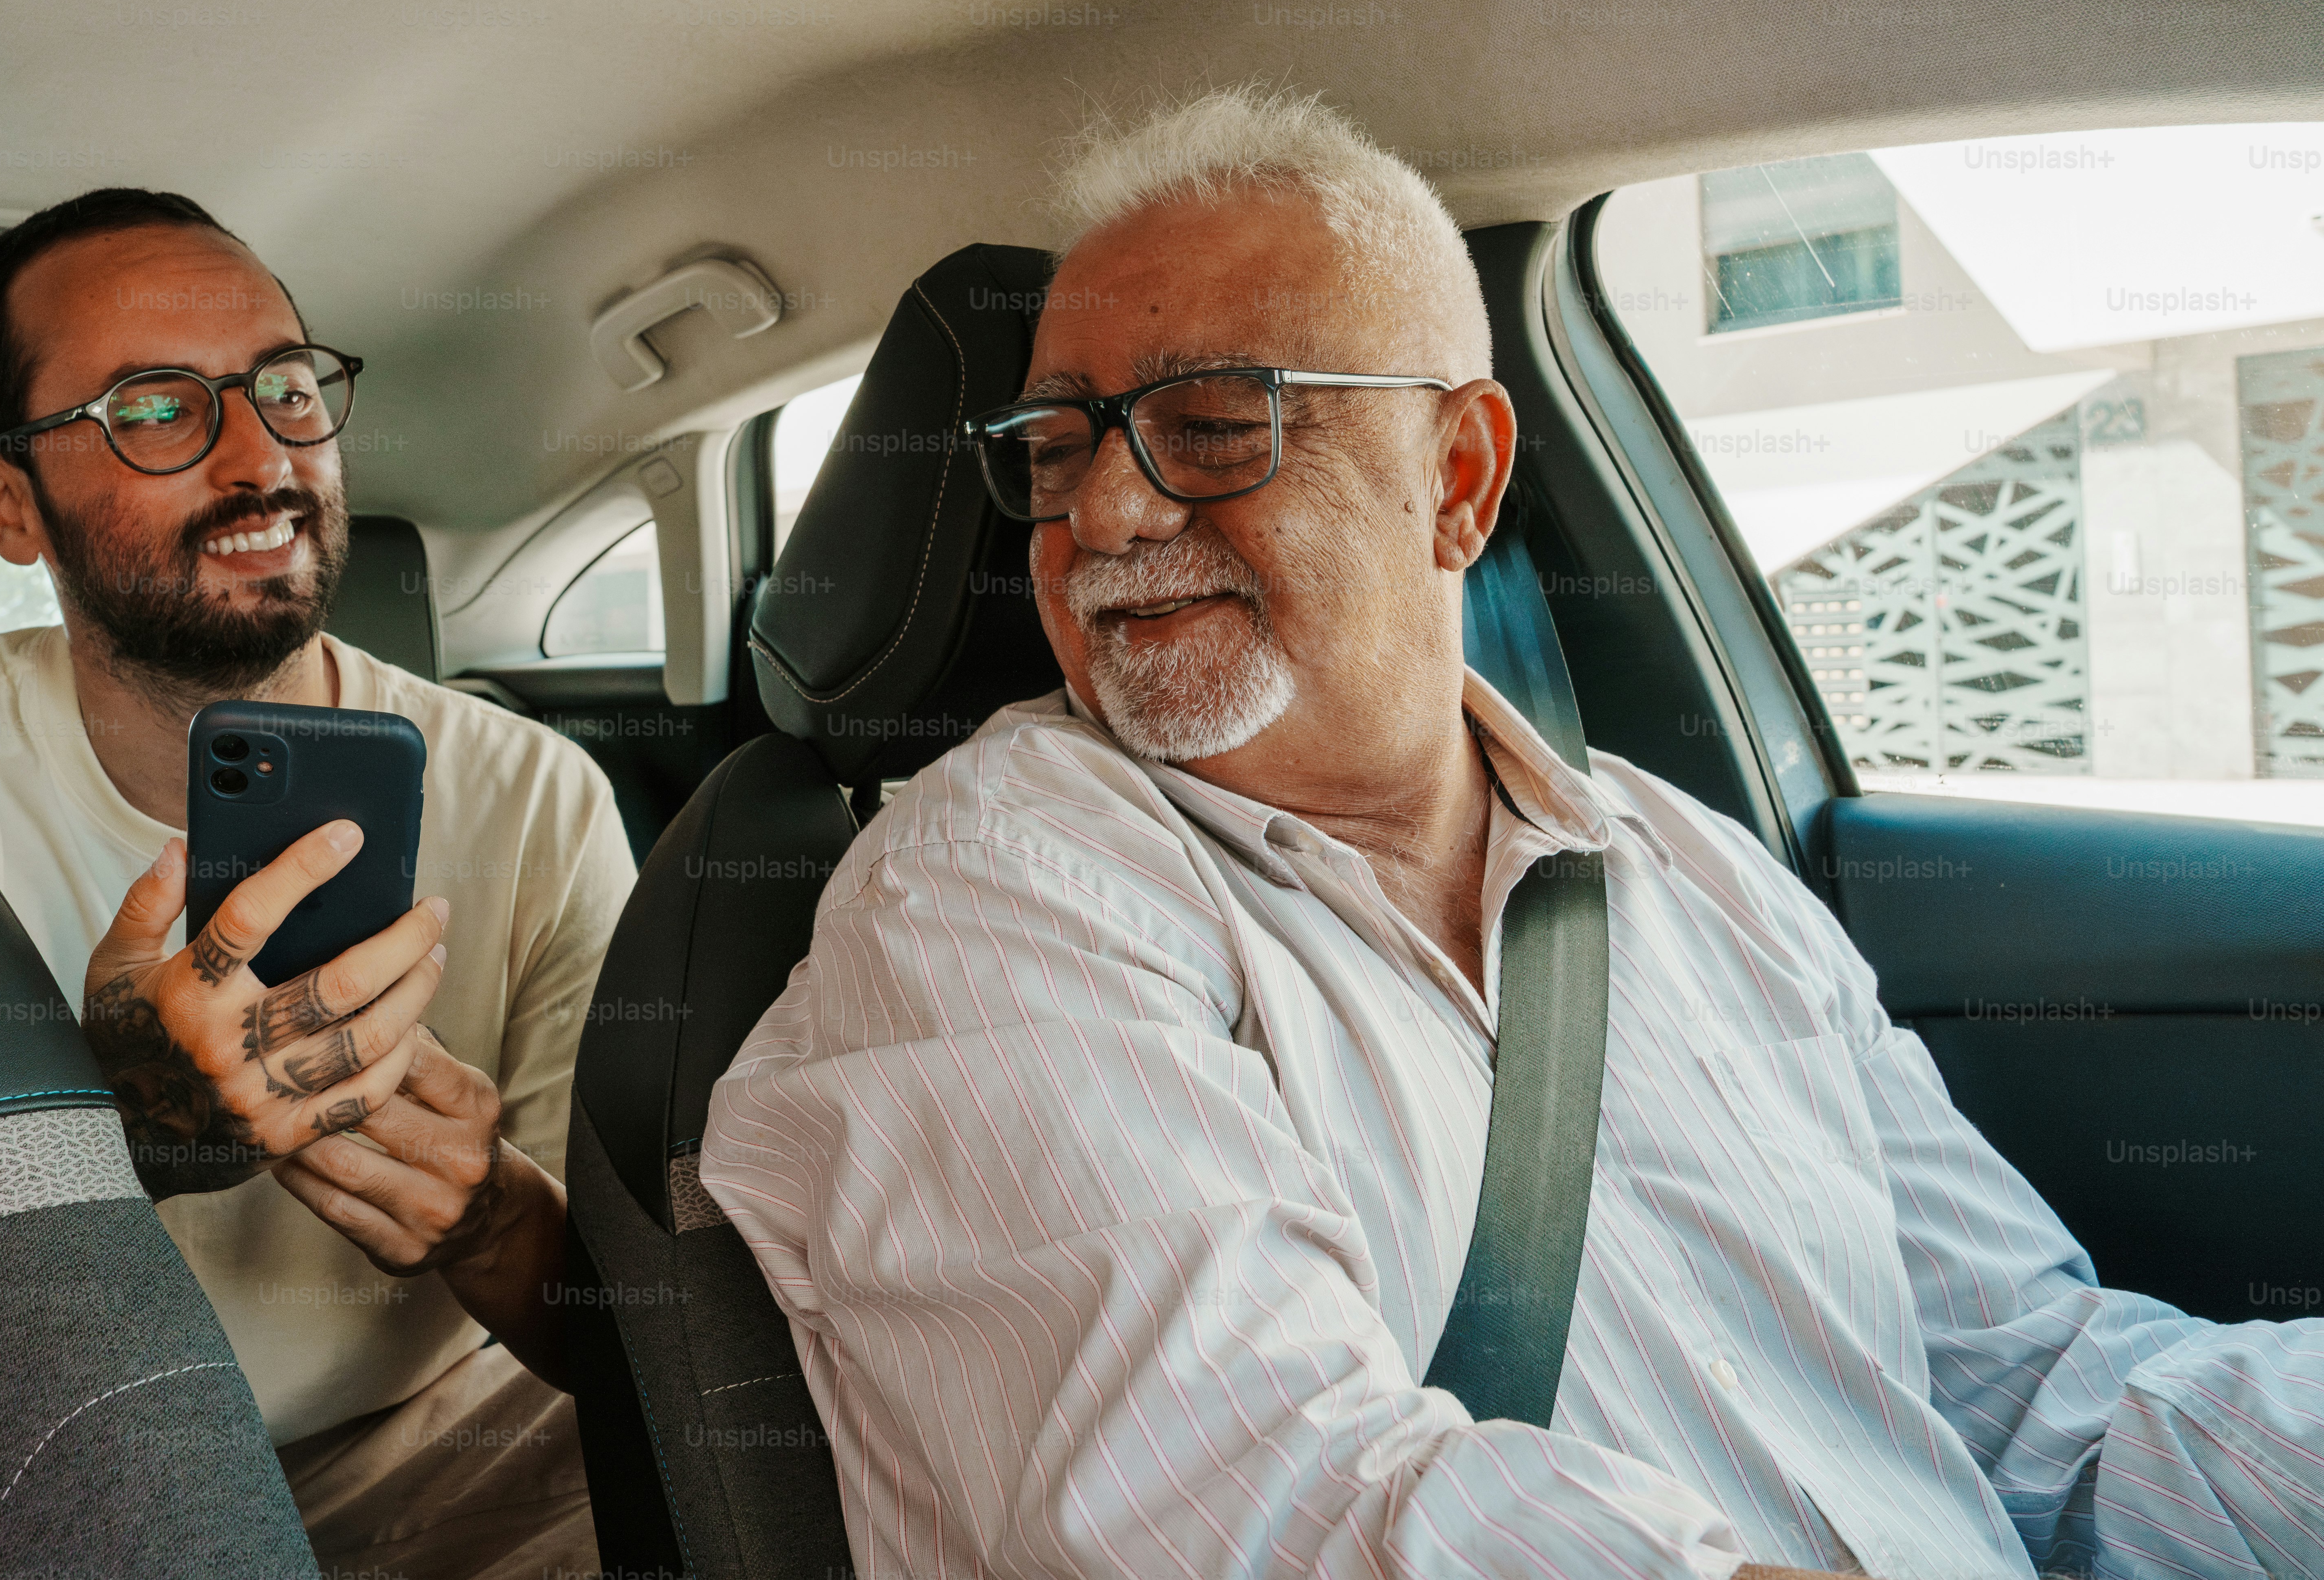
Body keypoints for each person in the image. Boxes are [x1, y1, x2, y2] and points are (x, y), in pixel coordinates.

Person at [699, 87, 2324, 1579]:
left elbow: (2034, 1397)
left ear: (1458, 481)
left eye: (1215, 424)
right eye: (1056, 453)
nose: (1106, 513)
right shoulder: (993, 882)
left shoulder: (1693, 874)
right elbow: (1258, 1509)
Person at [0, 188, 635, 1580]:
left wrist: (489, 1218)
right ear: (8, 505)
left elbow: (632, 1336)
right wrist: (119, 1121)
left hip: (464, 1457)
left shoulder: (540, 795)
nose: (265, 455)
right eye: (155, 409)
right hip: (61, 1477)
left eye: (285, 386)